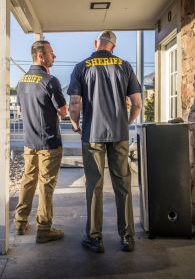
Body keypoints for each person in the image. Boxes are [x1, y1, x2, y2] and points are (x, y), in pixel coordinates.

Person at [67, 31, 142, 253]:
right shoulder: (124, 66)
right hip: (119, 133)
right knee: (123, 184)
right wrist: (125, 123)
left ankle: (94, 238)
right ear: (113, 47)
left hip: (92, 134)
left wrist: (75, 123)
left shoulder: (82, 67)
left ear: (96, 43)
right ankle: (127, 237)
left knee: (94, 184)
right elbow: (137, 104)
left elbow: (74, 104)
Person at [14, 40, 68, 244]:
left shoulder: (21, 81)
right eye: (51, 53)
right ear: (40, 56)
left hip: (29, 142)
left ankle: (20, 222)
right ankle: (44, 228)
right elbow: (63, 112)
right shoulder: (50, 80)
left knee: (28, 180)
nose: (54, 56)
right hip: (49, 143)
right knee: (46, 184)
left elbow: (20, 110)